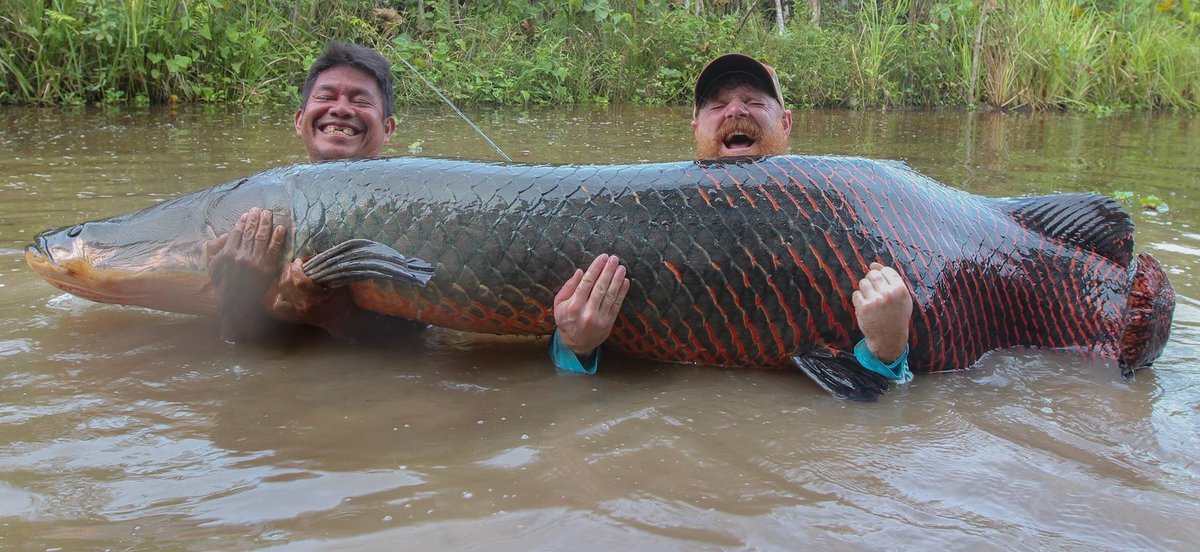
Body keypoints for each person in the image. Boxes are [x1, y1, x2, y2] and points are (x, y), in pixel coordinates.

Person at [205, 41, 625, 374]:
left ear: (388, 129)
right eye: (327, 96)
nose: (341, 109)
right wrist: (239, 298)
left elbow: (427, 347)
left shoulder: (426, 209)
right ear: (300, 119)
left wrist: (326, 311)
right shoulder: (249, 207)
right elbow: (246, 363)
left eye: (361, 100)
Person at [690, 53, 914, 381]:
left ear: (785, 122)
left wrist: (888, 349)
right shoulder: (653, 212)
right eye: (717, 104)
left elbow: (881, 393)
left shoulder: (842, 206)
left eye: (753, 101)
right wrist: (583, 351)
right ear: (696, 129)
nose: (736, 110)